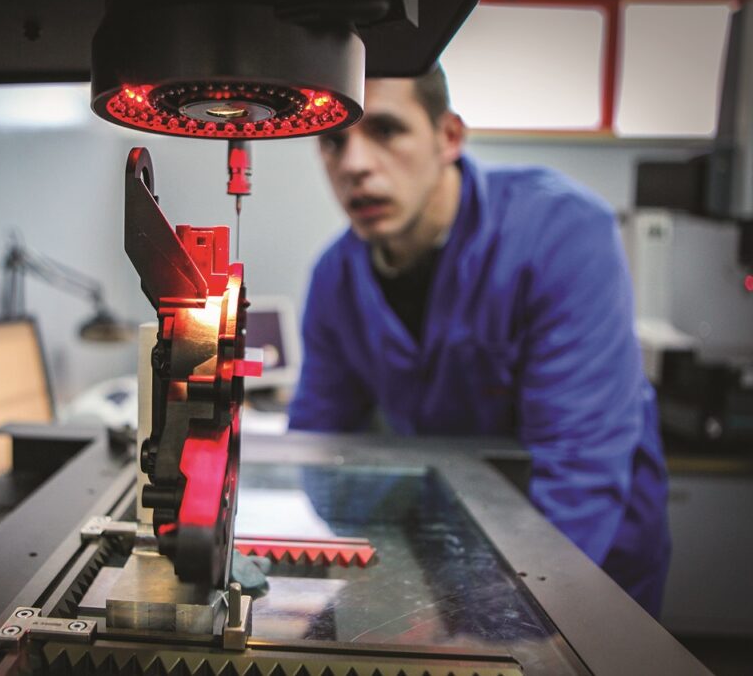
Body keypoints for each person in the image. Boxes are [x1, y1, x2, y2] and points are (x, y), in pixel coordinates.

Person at [288, 66, 671, 616]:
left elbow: (578, 472)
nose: (354, 164)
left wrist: (488, 619)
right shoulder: (335, 278)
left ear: (448, 137)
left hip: (587, 568)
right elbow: (320, 448)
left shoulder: (561, 233)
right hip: (446, 564)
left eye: (387, 130)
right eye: (333, 140)